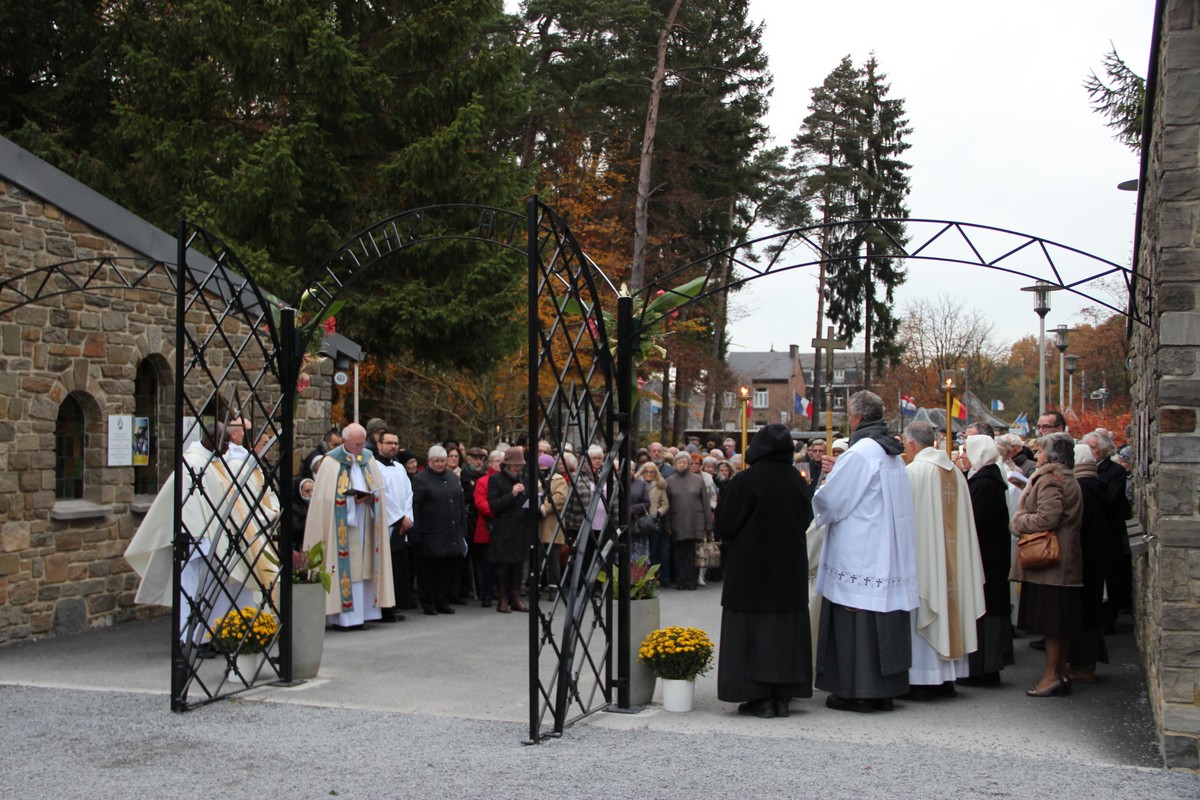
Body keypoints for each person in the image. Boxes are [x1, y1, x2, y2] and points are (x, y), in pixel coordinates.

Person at [813, 391, 918, 713]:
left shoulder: (861, 452)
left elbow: (833, 501)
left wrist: (824, 485)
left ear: (857, 417)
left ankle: (858, 691)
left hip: (860, 553)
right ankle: (884, 691)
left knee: (856, 622)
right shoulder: (889, 451)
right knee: (882, 620)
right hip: (886, 551)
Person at [715, 424, 814, 718]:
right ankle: (782, 695)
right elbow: (806, 519)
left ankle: (756, 696)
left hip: (750, 569)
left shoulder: (745, 480)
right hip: (788, 569)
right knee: (784, 631)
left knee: (750, 632)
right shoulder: (796, 481)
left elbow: (725, 525)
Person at [900, 422, 985, 700]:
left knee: (927, 606)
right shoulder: (955, 473)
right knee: (950, 607)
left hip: (925, 560)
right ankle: (948, 678)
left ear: (911, 444)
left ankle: (923, 679)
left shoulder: (913, 472)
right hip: (953, 561)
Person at [1010, 432, 1084, 698]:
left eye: (1040, 451)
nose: (1036, 455)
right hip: (1063, 560)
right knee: (1060, 623)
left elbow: (1047, 517)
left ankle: (1052, 675)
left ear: (1051, 455)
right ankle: (1059, 673)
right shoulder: (1067, 476)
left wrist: (1018, 521)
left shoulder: (1050, 478)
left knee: (1053, 623)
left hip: (1051, 562)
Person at [304, 422, 394, 629]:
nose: (360, 448)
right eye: (356, 444)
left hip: (366, 522)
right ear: (344, 441)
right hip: (342, 524)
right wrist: (348, 500)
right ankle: (345, 618)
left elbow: (379, 491)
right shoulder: (330, 462)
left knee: (366, 566)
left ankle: (366, 613)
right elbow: (324, 499)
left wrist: (371, 499)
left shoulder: (368, 459)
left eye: (362, 444)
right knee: (346, 568)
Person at [960, 434, 1016, 685]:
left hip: (986, 558)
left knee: (985, 613)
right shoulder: (987, 478)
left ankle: (984, 668)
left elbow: (977, 520)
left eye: (967, 450)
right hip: (990, 556)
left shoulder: (985, 483)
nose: (963, 455)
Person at [1066, 444, 1110, 683]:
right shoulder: (1094, 485)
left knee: (1082, 614)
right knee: (1087, 612)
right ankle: (1084, 663)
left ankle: (1083, 665)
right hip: (1094, 557)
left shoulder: (1082, 488)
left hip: (1085, 559)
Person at [410, 445, 467, 616]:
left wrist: (462, 528)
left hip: (450, 532)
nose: (440, 464)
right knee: (428, 572)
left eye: (443, 461)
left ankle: (442, 601)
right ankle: (429, 603)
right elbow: (415, 507)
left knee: (446, 570)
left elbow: (460, 503)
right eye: (437, 461)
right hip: (429, 532)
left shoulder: (452, 477)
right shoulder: (421, 479)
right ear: (429, 461)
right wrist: (415, 532)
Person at [376, 430, 413, 622]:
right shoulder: (374, 467)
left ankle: (396, 603)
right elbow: (381, 495)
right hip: (387, 523)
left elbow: (408, 493)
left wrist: (408, 517)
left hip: (402, 524)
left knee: (398, 567)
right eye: (389, 443)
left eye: (396, 443)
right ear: (379, 445)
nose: (393, 446)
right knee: (385, 568)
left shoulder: (399, 467)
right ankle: (385, 608)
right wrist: (399, 517)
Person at [488, 445, 529, 613]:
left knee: (518, 565)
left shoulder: (524, 478)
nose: (518, 468)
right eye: (515, 465)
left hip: (521, 528)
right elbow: (494, 506)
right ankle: (502, 598)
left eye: (520, 465)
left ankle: (516, 598)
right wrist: (512, 494)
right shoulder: (495, 480)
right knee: (503, 566)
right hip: (503, 529)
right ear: (507, 464)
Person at [665, 452, 710, 591]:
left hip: (695, 521)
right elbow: (667, 504)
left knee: (692, 552)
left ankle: (691, 580)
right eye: (679, 462)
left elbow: (705, 503)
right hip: (677, 521)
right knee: (679, 553)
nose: (682, 465)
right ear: (675, 464)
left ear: (689, 464)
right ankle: (680, 580)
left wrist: (708, 525)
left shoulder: (698, 480)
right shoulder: (669, 481)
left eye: (685, 462)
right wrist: (667, 524)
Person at [630, 462, 669, 563]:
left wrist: (658, 513)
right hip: (638, 520)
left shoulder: (660, 485)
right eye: (646, 471)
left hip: (652, 520)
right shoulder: (636, 483)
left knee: (653, 549)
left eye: (652, 472)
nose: (649, 474)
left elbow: (665, 504)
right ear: (642, 472)